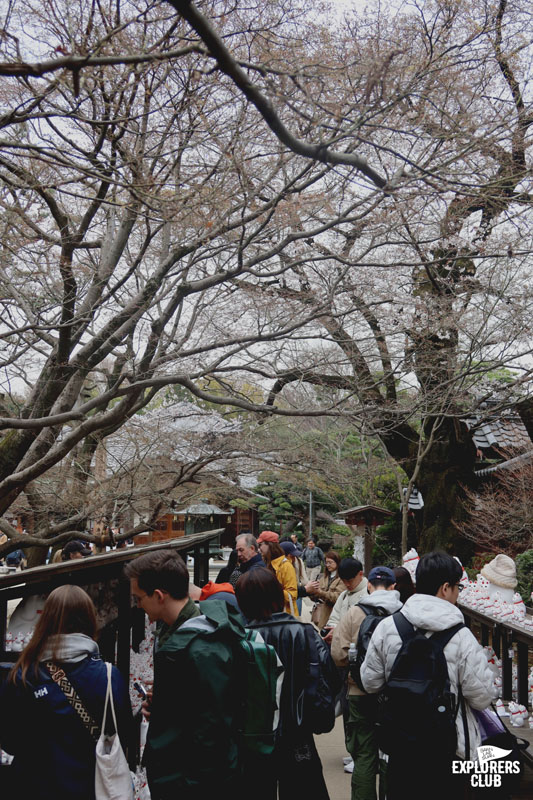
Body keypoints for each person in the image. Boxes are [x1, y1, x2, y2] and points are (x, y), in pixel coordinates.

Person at [361, 551, 497, 800]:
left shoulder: (389, 627)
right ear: (446, 588)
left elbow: (370, 683)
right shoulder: (462, 636)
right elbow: (482, 697)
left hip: (399, 744)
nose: (458, 593)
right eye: (458, 587)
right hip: (447, 748)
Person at [124, 548, 243, 800]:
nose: (137, 605)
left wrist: (187, 787)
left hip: (191, 783)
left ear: (158, 595)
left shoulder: (202, 648)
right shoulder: (177, 634)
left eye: (139, 598)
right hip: (179, 774)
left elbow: (212, 733)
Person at [0, 585, 132, 800]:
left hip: (32, 787)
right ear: (90, 619)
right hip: (90, 787)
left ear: (46, 621)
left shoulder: (23, 675)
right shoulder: (109, 676)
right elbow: (122, 733)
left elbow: (9, 741)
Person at [235, 568, 339, 800]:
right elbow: (329, 677)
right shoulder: (305, 634)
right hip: (298, 737)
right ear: (278, 595)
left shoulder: (239, 640)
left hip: (253, 741)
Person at [332, 566, 402, 800]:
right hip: (394, 697)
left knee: (363, 757)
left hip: (359, 692)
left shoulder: (354, 612)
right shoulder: (403, 614)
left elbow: (338, 655)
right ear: (394, 587)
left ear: (369, 586)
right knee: (391, 756)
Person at [323, 557, 369, 641]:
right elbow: (334, 618)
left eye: (350, 581)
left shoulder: (369, 594)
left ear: (360, 574)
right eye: (344, 581)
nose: (347, 584)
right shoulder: (344, 595)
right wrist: (333, 629)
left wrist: (339, 632)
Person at [259, 539, 299, 616]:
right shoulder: (264, 563)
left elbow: (292, 594)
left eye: (260, 544)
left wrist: (273, 590)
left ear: (269, 545)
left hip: (285, 616)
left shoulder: (286, 566)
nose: (259, 548)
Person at [305, 550, 343, 630]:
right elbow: (316, 597)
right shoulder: (324, 577)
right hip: (323, 615)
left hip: (335, 616)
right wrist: (311, 592)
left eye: (330, 562)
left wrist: (320, 592)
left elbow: (337, 597)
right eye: (326, 562)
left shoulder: (342, 579)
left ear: (337, 562)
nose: (328, 565)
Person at [279, 539, 309, 614]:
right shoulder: (282, 566)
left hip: (296, 593)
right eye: (292, 556)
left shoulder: (297, 561)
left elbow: (303, 578)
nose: (294, 558)